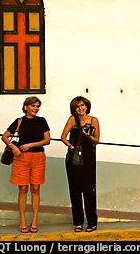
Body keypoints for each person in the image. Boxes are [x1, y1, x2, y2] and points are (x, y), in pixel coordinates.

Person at [1, 96, 51, 233]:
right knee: (22, 189)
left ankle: (34, 220)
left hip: (38, 157)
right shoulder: (19, 121)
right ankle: (22, 220)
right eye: (33, 106)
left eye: (37, 106)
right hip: (21, 158)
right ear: (25, 107)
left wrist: (30, 145)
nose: (36, 108)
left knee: (35, 188)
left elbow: (47, 140)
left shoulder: (42, 121)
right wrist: (13, 147)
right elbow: (4, 136)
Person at [60, 96, 100, 232]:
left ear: (87, 106)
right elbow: (63, 137)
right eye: (77, 106)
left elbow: (96, 140)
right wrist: (71, 147)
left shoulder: (94, 120)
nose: (81, 108)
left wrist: (88, 136)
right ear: (74, 109)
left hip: (88, 158)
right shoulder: (72, 120)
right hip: (74, 159)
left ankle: (92, 222)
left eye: (82, 105)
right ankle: (78, 222)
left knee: (89, 190)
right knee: (75, 190)